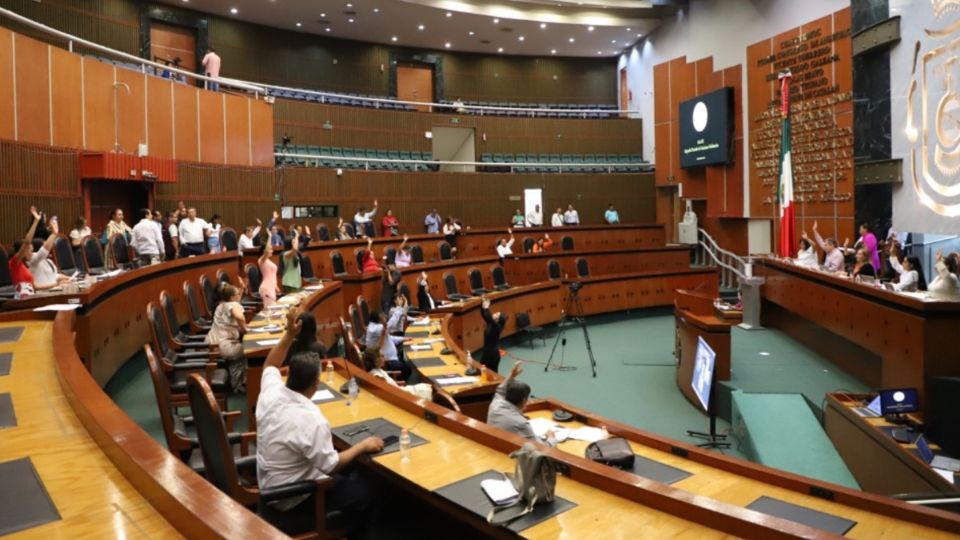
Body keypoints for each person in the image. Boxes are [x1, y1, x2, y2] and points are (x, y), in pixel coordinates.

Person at [256, 307, 383, 537]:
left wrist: (288, 335)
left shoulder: (271, 392)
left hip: (269, 489)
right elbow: (331, 465)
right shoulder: (312, 419)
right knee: (366, 491)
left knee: (351, 473)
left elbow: (270, 366)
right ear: (316, 385)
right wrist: (363, 446)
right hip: (294, 499)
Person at [487, 361, 555, 446]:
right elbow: (542, 448)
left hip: (494, 443)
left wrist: (511, 375)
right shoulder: (521, 423)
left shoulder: (495, 404)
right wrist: (551, 438)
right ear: (523, 401)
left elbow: (500, 390)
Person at [204, 283, 248, 391]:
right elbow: (239, 316)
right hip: (224, 346)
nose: (240, 295)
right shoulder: (233, 304)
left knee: (239, 349)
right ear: (232, 297)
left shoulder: (220, 305)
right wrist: (246, 328)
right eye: (238, 294)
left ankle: (236, 383)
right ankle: (238, 384)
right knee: (248, 350)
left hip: (211, 344)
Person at [362, 348, 433, 399]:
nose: (384, 358)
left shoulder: (378, 370)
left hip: (400, 390)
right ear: (376, 360)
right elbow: (391, 393)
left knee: (427, 386)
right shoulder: (378, 376)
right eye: (382, 356)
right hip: (402, 395)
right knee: (428, 389)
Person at [364, 311, 412, 381]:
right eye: (383, 316)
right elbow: (391, 325)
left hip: (391, 357)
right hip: (386, 361)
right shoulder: (375, 329)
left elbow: (389, 338)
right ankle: (399, 382)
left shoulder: (377, 327)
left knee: (403, 351)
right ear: (379, 318)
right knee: (407, 368)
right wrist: (398, 310)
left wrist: (404, 339)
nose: (385, 317)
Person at [480, 296, 507, 372]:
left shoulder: (497, 327)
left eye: (496, 315)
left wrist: (487, 307)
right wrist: (482, 304)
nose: (494, 314)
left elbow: (489, 316)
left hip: (493, 355)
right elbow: (484, 315)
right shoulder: (491, 323)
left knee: (493, 374)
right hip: (486, 352)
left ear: (497, 320)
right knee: (481, 370)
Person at [259, 242, 280, 308]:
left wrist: (276, 286)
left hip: (271, 287)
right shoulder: (261, 260)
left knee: (273, 309)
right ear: (264, 251)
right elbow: (266, 253)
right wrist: (270, 238)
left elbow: (272, 275)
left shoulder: (268, 261)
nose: (272, 251)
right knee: (270, 311)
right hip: (266, 288)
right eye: (270, 249)